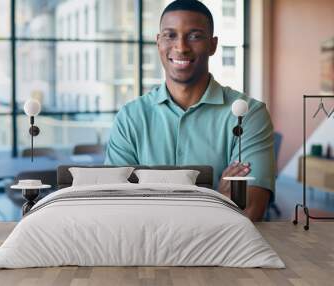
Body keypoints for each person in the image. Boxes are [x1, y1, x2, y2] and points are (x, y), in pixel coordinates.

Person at [104, 0, 275, 221]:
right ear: (158, 42)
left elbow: (249, 211)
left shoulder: (249, 115)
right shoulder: (130, 117)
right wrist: (217, 196)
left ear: (212, 45)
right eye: (170, 35)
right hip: (142, 253)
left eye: (194, 36)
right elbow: (116, 207)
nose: (182, 47)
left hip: (220, 255)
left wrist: (148, 200)